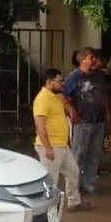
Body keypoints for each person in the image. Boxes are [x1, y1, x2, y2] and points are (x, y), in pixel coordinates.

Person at [33, 69, 88, 212]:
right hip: (51, 146)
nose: (63, 83)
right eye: (60, 81)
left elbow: (65, 108)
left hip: (61, 145)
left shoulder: (55, 97)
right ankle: (47, 210)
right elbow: (39, 124)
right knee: (51, 180)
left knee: (73, 172)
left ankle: (73, 202)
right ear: (49, 82)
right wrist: (47, 148)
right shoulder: (42, 98)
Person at [64, 47, 108, 197]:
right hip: (82, 121)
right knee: (78, 155)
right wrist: (71, 110)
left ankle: (88, 185)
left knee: (94, 154)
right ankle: (73, 187)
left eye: (95, 57)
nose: (95, 60)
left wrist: (108, 113)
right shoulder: (74, 77)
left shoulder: (100, 76)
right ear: (82, 60)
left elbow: (104, 95)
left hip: (99, 121)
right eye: (91, 57)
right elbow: (62, 96)